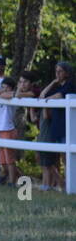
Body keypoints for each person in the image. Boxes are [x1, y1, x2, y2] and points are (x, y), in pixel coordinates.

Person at [37, 61, 76, 191]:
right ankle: (61, 185)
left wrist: (49, 99)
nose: (57, 74)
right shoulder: (57, 86)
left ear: (66, 73)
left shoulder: (70, 85)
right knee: (58, 159)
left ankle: (70, 185)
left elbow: (60, 96)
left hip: (67, 127)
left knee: (67, 159)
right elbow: (42, 96)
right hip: (57, 126)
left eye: (60, 71)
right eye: (56, 71)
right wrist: (53, 83)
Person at [0, 75, 22, 185]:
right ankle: (21, 178)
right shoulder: (1, 95)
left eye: (6, 87)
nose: (3, 89)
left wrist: (0, 93)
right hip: (0, 130)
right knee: (3, 161)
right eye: (2, 87)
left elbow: (9, 95)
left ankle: (12, 182)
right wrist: (0, 92)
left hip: (8, 129)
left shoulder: (12, 96)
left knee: (10, 160)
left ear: (11, 88)